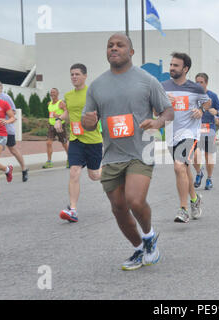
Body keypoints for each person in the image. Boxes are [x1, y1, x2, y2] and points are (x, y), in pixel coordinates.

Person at [81, 33, 173, 271]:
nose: (114, 48)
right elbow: (88, 121)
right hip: (112, 155)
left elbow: (167, 111)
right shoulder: (97, 85)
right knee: (119, 208)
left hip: (141, 150)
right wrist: (88, 121)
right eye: (110, 45)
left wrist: (157, 122)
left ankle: (149, 234)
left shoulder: (147, 80)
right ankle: (139, 248)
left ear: (131, 52)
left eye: (120, 45)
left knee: (134, 199)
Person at [162, 53, 210, 223]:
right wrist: (163, 102)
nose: (171, 68)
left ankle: (183, 209)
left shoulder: (195, 88)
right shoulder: (163, 87)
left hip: (189, 133)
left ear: (185, 69)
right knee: (183, 169)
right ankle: (195, 199)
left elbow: (207, 102)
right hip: (170, 134)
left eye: (176, 65)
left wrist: (201, 111)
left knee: (179, 166)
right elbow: (156, 112)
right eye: (171, 64)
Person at [54, 63, 103, 222]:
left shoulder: (93, 93)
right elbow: (69, 112)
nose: (74, 77)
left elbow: (102, 111)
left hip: (93, 140)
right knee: (74, 171)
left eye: (77, 74)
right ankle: (72, 210)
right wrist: (59, 119)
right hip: (75, 139)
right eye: (72, 74)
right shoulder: (68, 95)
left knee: (94, 175)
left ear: (85, 76)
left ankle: (112, 174)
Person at [0, 81, 29, 182]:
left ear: (0, 88)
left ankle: (24, 169)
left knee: (13, 150)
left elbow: (13, 111)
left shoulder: (6, 97)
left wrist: (1, 114)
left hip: (7, 129)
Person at [193, 73, 219, 190]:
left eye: (201, 82)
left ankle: (209, 178)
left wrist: (216, 112)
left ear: (206, 83)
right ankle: (199, 172)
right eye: (197, 82)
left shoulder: (212, 96)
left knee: (208, 155)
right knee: (193, 155)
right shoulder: (192, 96)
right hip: (194, 129)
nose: (199, 84)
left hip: (208, 128)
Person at [42, 88, 69, 169]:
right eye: (51, 92)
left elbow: (66, 112)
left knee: (64, 144)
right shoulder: (49, 103)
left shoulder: (61, 103)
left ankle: (70, 159)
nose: (52, 94)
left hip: (60, 126)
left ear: (57, 93)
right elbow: (51, 114)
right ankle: (49, 162)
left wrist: (59, 117)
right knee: (48, 143)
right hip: (51, 126)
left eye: (54, 92)